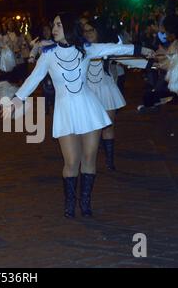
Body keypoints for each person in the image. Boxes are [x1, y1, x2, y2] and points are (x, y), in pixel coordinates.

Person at [10, 13, 154, 218]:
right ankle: (70, 203)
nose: (54, 28)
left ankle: (85, 202)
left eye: (59, 24)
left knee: (89, 159)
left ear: (68, 28)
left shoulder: (86, 49)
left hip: (89, 109)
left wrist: (142, 49)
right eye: (53, 25)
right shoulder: (48, 54)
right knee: (71, 162)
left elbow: (115, 49)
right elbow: (34, 78)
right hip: (65, 111)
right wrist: (16, 100)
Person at [82, 19, 127, 171]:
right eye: (85, 31)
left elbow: (126, 55)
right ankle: (88, 160)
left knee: (108, 126)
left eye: (91, 30)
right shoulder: (80, 49)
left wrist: (148, 60)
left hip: (106, 89)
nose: (88, 34)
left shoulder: (106, 48)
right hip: (87, 91)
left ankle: (109, 160)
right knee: (89, 128)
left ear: (98, 32)